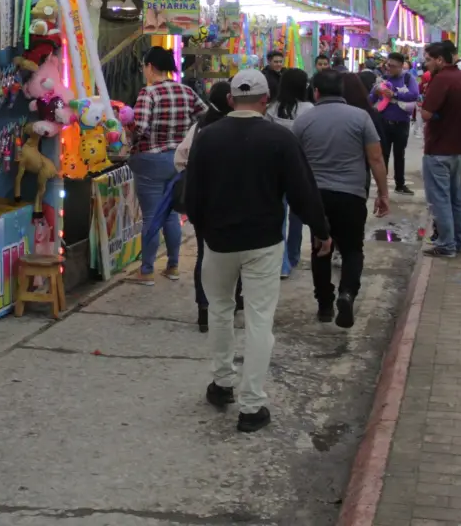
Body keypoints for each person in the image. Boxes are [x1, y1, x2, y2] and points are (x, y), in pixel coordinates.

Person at [184, 69, 331, 433]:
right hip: (264, 242)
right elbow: (302, 191)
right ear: (267, 100)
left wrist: (204, 230)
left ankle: (222, 383)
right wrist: (322, 230)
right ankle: (252, 405)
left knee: (219, 310)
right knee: (259, 319)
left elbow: (192, 194)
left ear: (232, 100)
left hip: (218, 241)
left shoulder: (208, 136)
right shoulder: (279, 138)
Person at [294, 69, 390, 328]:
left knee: (320, 248)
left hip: (317, 197)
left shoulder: (304, 120)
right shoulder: (361, 118)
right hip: (352, 194)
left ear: (316, 92)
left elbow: (295, 162)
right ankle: (347, 293)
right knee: (352, 249)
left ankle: (324, 305)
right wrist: (383, 193)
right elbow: (376, 158)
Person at [128, 46, 206, 285]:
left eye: (144, 67)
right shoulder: (187, 91)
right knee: (171, 213)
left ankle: (148, 270)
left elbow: (139, 127)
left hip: (150, 161)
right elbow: (205, 115)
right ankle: (172, 266)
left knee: (151, 215)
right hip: (177, 161)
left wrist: (124, 132)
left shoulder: (148, 93)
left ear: (150, 67)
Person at [174, 82, 242, 332]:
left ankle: (204, 310)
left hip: (204, 201)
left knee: (205, 255)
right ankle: (229, 306)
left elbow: (180, 158)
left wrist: (194, 178)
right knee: (236, 256)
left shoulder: (202, 125)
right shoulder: (243, 127)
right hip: (236, 201)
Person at [419, 41, 461, 258]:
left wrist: (428, 110)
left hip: (439, 148)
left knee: (440, 199)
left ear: (439, 59)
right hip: (460, 147)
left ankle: (446, 244)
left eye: (428, 60)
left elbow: (426, 113)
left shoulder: (441, 79)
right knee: (456, 197)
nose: (426, 64)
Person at [265, 68, 314, 278]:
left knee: (279, 217)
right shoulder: (309, 109)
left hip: (275, 170)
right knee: (298, 216)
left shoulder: (271, 109)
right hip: (301, 168)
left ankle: (282, 263)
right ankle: (293, 256)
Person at [371, 52, 419, 196]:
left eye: (393, 66)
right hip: (384, 122)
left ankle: (400, 184)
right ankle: (382, 185)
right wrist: (377, 92)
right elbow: (371, 98)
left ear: (401, 66)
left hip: (401, 123)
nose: (389, 68)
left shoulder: (408, 78)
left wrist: (395, 94)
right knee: (382, 155)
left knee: (400, 154)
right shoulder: (382, 79)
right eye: (388, 65)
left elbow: (414, 94)